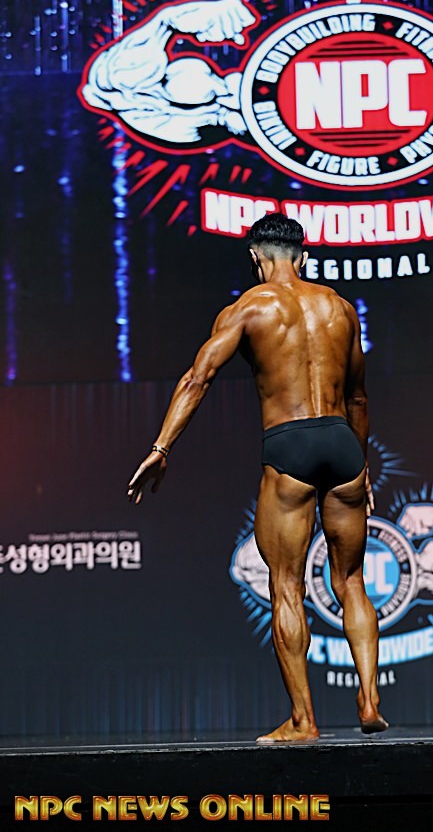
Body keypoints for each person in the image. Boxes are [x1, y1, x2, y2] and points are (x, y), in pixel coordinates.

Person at [127, 212, 389, 743]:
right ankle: (368, 699)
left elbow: (197, 378)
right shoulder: (341, 308)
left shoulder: (249, 307)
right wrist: (361, 470)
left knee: (286, 584)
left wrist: (161, 447)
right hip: (343, 444)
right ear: (304, 257)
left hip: (291, 444)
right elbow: (359, 398)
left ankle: (304, 721)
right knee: (352, 581)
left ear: (255, 258)